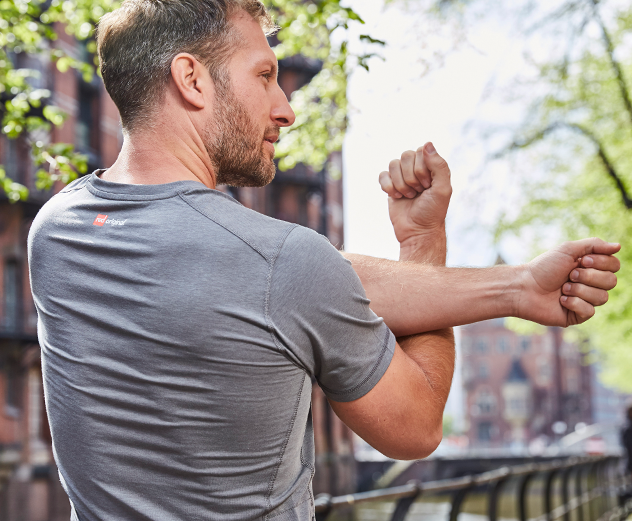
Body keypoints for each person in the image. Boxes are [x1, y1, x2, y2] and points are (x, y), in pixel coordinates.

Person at [27, 1, 620, 520]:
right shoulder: (285, 264)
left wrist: (516, 286)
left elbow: (279, 274)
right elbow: (414, 430)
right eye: (264, 76)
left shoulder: (57, 232)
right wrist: (423, 243)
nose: (285, 109)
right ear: (193, 79)